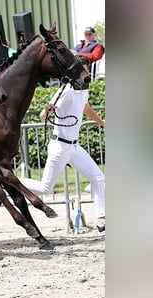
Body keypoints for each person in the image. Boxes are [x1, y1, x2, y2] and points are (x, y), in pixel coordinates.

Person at [20, 78, 106, 233]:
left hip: (74, 147)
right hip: (59, 146)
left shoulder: (83, 92)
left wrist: (102, 122)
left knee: (98, 178)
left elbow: (86, 108)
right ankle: (11, 182)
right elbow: (42, 115)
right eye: (84, 71)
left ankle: (102, 218)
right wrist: (47, 110)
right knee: (45, 188)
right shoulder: (65, 91)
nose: (87, 75)